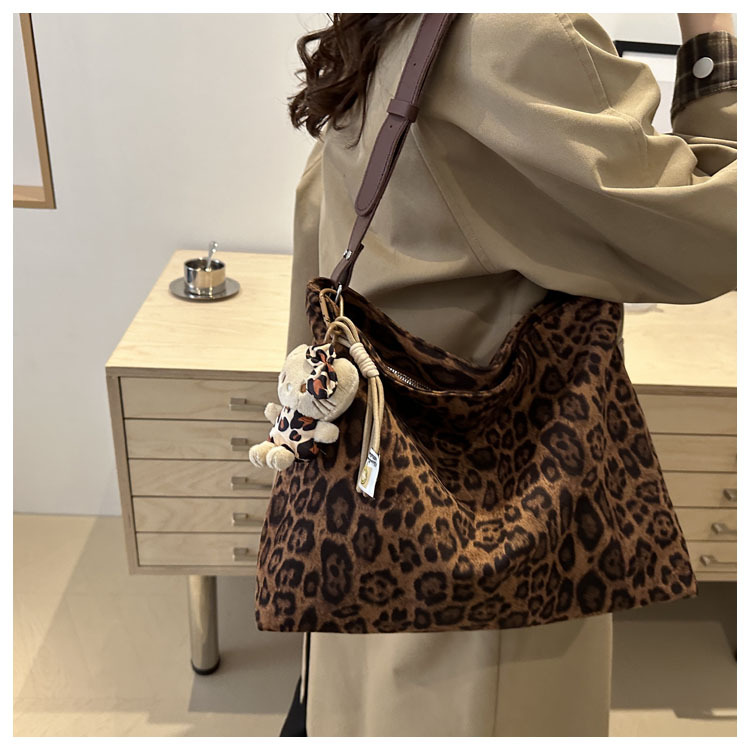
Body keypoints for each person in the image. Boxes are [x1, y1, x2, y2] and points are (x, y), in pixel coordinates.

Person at [277, 12, 737, 737]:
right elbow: (718, 231)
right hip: (489, 563)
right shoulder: (517, 36)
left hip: (372, 518)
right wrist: (711, 42)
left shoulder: (390, 27)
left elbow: (320, 235)